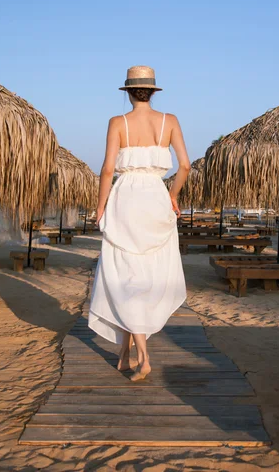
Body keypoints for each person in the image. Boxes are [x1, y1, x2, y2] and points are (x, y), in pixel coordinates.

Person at [88, 66, 191, 381]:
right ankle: (124, 353)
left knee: (124, 275)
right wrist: (172, 196)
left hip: (126, 197)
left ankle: (142, 356)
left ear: (129, 92)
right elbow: (185, 166)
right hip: (156, 197)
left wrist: (100, 206)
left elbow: (108, 169)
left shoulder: (117, 123)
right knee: (146, 277)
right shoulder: (169, 121)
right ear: (153, 91)